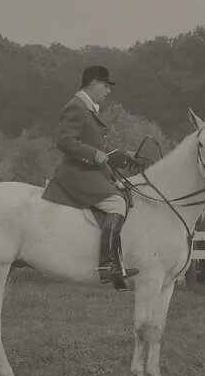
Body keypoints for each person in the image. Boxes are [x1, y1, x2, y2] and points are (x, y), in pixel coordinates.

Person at [40, 65, 146, 285]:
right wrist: (93, 154)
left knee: (125, 192)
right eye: (106, 86)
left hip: (89, 170)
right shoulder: (76, 107)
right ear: (95, 84)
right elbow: (64, 141)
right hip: (76, 172)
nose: (108, 91)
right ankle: (107, 264)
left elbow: (100, 149)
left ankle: (118, 261)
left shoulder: (88, 108)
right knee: (117, 203)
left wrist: (123, 155)